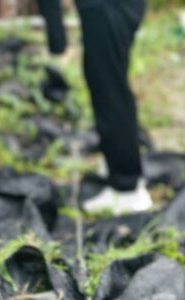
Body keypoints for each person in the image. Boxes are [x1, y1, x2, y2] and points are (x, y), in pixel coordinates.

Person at [37, 0, 152, 214]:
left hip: (108, 7)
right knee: (106, 83)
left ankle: (127, 187)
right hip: (111, 7)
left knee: (110, 90)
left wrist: (56, 41)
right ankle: (118, 165)